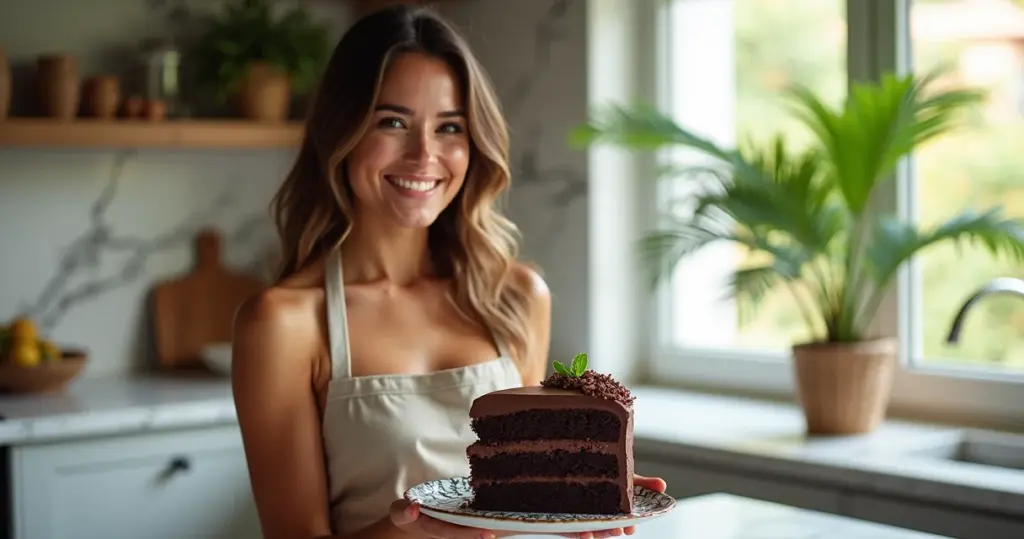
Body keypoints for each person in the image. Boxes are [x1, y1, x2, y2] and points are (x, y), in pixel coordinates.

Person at [231, 5, 666, 539]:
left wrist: (582, 499)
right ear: (340, 132)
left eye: (450, 127)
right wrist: (411, 532)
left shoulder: (516, 296)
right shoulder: (283, 323)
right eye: (392, 122)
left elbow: (519, 498)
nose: (424, 155)